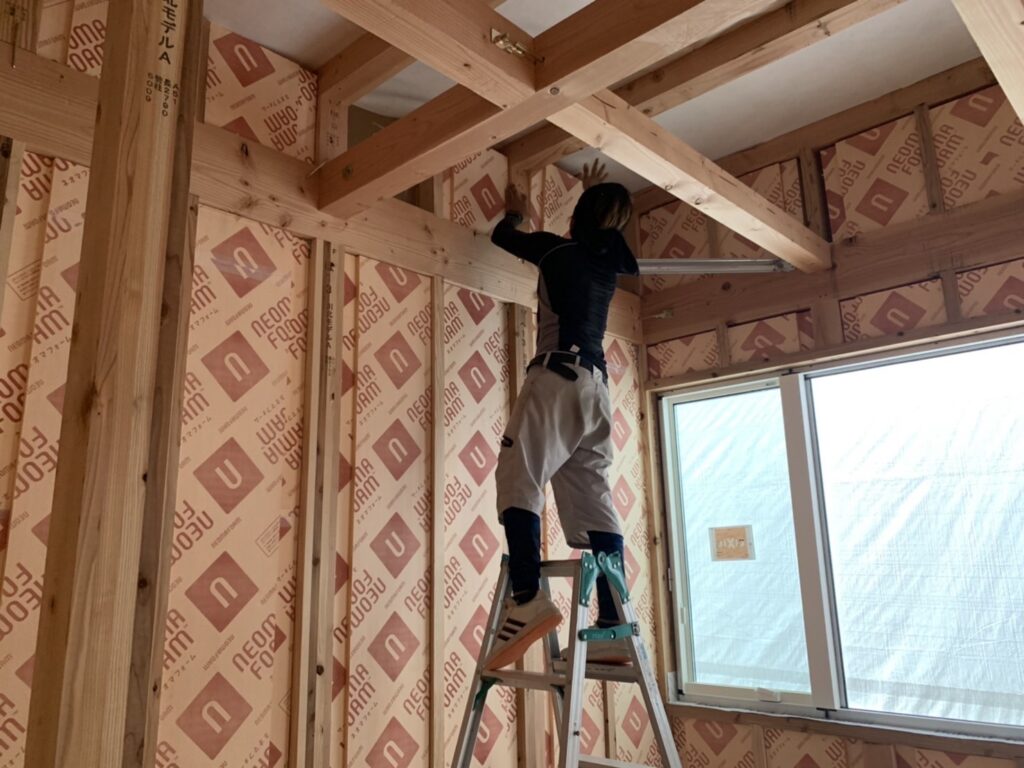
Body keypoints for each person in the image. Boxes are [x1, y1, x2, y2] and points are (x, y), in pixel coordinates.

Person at [485, 161, 638, 669]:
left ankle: (527, 598)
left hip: (557, 377)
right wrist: (593, 198)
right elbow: (602, 236)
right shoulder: (609, 262)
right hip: (596, 392)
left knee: (519, 474)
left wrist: (515, 213)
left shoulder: (556, 249)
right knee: (593, 499)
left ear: (575, 220)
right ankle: (613, 626)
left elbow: (503, 237)